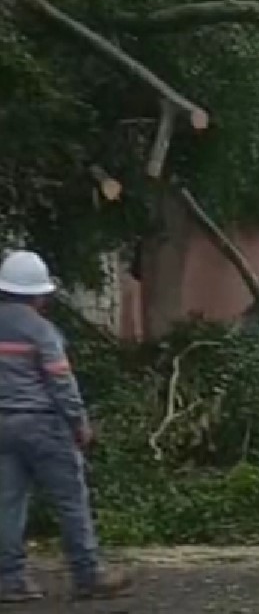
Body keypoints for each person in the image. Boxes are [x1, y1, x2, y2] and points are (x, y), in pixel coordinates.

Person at [0, 251, 130, 603]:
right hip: (43, 425)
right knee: (71, 499)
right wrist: (79, 422)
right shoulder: (42, 330)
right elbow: (61, 382)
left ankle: (9, 580)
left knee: (7, 502)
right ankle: (88, 574)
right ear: (39, 295)